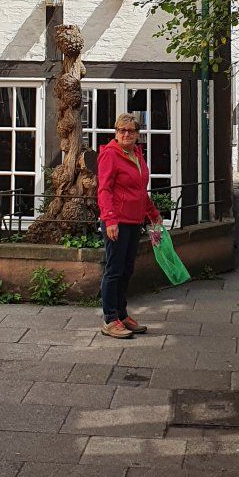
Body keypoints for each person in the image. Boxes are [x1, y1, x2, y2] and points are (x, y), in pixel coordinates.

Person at [96, 113, 162, 339]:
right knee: (114, 270)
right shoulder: (110, 155)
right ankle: (110, 318)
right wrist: (110, 219)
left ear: (137, 134)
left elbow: (140, 190)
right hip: (117, 221)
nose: (126, 134)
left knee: (126, 270)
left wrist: (152, 213)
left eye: (131, 131)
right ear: (116, 133)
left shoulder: (136, 154)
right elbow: (104, 190)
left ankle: (122, 315)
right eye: (121, 130)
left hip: (134, 221)